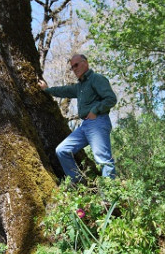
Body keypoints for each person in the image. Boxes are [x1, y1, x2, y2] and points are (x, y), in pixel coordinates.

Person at [38, 54, 117, 183]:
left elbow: (111, 99)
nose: (74, 69)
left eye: (76, 65)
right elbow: (64, 90)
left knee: (103, 160)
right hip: (85, 125)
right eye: (72, 67)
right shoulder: (80, 87)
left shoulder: (96, 79)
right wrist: (47, 90)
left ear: (85, 63)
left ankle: (111, 197)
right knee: (62, 150)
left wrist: (95, 111)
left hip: (97, 122)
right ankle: (80, 184)